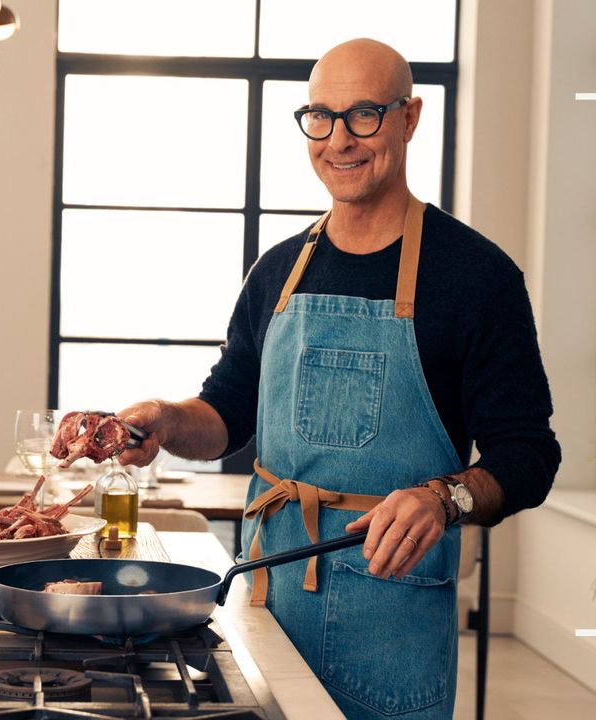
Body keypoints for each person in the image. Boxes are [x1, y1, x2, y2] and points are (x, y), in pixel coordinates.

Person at [116, 38, 560, 719]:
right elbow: (227, 414)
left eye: (364, 115)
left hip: (393, 633)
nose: (339, 140)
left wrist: (446, 498)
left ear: (410, 118)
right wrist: (167, 418)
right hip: (265, 608)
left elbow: (528, 455)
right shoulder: (277, 271)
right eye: (320, 117)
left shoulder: (478, 277)